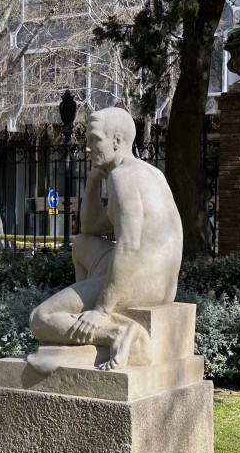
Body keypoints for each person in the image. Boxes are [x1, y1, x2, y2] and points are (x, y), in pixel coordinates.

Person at [27, 107, 183, 374]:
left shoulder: (123, 178)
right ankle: (83, 329)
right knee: (81, 244)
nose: (88, 148)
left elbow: (129, 245)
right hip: (159, 283)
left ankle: (115, 332)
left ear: (116, 139)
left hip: (141, 282)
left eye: (93, 139)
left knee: (41, 319)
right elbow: (91, 227)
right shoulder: (148, 172)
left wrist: (102, 309)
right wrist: (92, 181)